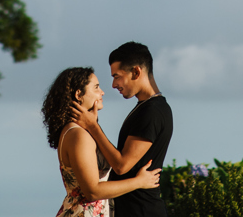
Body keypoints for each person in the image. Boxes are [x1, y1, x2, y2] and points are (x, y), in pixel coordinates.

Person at [70, 42, 174, 217]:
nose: (113, 84)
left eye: (117, 76)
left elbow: (121, 165)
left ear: (136, 72)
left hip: (142, 211)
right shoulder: (146, 108)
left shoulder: (152, 112)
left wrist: (92, 126)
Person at [43, 66, 161, 217]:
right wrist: (139, 182)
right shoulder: (78, 135)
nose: (102, 92)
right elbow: (92, 191)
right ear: (79, 94)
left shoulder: (79, 131)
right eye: (96, 87)